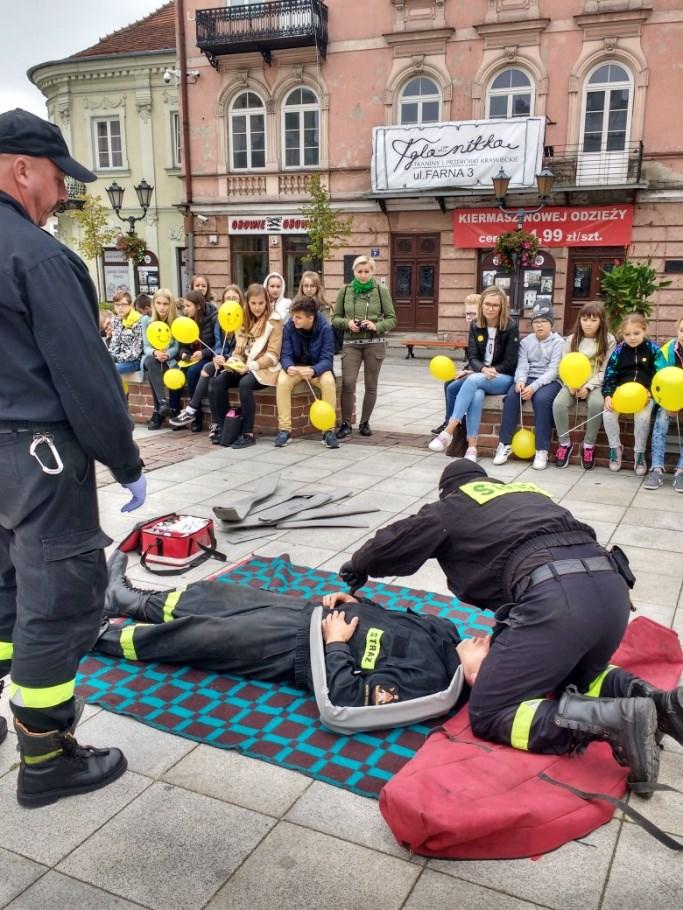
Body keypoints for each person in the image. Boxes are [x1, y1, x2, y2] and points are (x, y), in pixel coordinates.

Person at [338, 460, 682, 794]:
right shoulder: (528, 494)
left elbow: (393, 541)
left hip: (557, 601)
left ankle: (618, 721)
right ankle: (659, 704)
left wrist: (358, 565)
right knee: (577, 677)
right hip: (612, 592)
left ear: (449, 491)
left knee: (491, 711)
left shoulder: (452, 506)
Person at [0, 108, 146, 807]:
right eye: (58, 180)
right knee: (57, 604)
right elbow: (84, 378)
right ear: (20, 168)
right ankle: (47, 756)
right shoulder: (37, 256)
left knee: (0, 590)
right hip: (35, 457)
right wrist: (126, 462)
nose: (61, 197)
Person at [100, 551, 486, 724]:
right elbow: (389, 625)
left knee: (200, 635)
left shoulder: (431, 684)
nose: (484, 638)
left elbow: (346, 702)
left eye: (488, 651)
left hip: (296, 648)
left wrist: (335, 643)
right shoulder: (446, 632)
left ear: (477, 679)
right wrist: (358, 602)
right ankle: (127, 600)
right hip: (306, 613)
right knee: (212, 596)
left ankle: (98, 636)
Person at [430, 286, 519, 461]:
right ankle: (472, 448)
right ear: (482, 304)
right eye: (487, 304)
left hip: (504, 377)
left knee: (473, 381)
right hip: (482, 376)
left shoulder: (510, 326)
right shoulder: (476, 324)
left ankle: (449, 430)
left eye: (495, 305)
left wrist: (492, 370)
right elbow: (472, 356)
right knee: (476, 395)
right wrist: (482, 369)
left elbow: (511, 362)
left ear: (502, 308)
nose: (490, 308)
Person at [208, 282, 283, 448]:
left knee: (245, 384)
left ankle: (247, 433)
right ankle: (224, 427)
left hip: (264, 369)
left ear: (267, 302)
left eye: (261, 303)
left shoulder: (275, 321)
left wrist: (251, 366)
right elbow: (239, 351)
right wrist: (231, 362)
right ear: (247, 303)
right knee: (218, 381)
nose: (257, 307)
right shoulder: (243, 320)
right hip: (244, 365)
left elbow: (273, 355)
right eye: (253, 303)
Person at [492, 302, 564, 471]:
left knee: (542, 400)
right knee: (511, 398)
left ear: (551, 323)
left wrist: (534, 387)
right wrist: (520, 381)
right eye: (536, 322)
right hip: (529, 378)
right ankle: (504, 444)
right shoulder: (526, 342)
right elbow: (522, 365)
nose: (539, 325)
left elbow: (554, 370)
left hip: (550, 381)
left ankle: (542, 450)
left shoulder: (558, 342)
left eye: (544, 322)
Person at [332, 255, 397, 439]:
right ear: (354, 272)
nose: (363, 275)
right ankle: (345, 423)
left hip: (374, 344)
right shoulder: (345, 290)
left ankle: (365, 422)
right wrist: (348, 323)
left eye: (366, 271)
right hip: (351, 344)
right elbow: (335, 318)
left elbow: (392, 318)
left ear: (372, 272)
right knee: (348, 383)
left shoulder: (380, 290)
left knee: (371, 385)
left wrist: (377, 326)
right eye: (359, 271)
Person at [552, 302, 616, 470]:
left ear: (601, 321)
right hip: (572, 384)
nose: (588, 323)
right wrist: (570, 385)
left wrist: (587, 387)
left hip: (595, 385)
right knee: (558, 404)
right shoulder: (572, 340)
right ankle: (564, 444)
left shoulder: (608, 340)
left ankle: (588, 446)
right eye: (585, 319)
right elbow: (563, 366)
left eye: (593, 320)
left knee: (596, 404)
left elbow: (605, 370)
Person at [274, 297, 338, 449]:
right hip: (295, 367)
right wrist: (288, 366)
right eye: (293, 316)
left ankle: (328, 431)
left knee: (328, 382)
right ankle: (284, 430)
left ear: (310, 318)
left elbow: (328, 360)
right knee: (282, 382)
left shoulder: (325, 329)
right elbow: (285, 353)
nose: (293, 320)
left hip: (316, 368)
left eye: (298, 317)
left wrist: (314, 370)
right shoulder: (289, 326)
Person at [602, 314, 660, 474]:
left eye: (636, 333)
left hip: (645, 395)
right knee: (608, 414)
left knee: (642, 418)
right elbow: (610, 374)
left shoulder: (654, 349)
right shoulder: (619, 350)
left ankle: (639, 453)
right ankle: (615, 448)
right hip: (622, 393)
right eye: (627, 334)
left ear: (644, 331)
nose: (632, 338)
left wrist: (652, 392)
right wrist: (608, 394)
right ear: (622, 334)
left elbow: (660, 374)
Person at [168, 290, 220, 433]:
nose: (185, 309)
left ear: (197, 306)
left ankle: (195, 415)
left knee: (193, 372)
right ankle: (174, 410)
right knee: (175, 371)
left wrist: (203, 353)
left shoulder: (212, 317)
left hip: (208, 357)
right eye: (184, 306)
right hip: (192, 358)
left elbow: (217, 345)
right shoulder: (186, 320)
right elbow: (182, 345)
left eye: (188, 306)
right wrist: (184, 354)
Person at [644, 315, 683, 492]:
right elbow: (659, 378)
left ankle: (681, 470)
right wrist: (668, 403)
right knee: (660, 421)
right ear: (677, 330)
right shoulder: (667, 351)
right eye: (682, 331)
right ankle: (657, 468)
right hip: (667, 399)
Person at [432, 293, 480, 436]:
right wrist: (465, 370)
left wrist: (470, 372)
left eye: (472, 314)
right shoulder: (474, 328)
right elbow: (473, 358)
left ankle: (452, 426)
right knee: (448, 382)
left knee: (452, 387)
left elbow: (488, 361)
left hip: (485, 374)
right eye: (466, 314)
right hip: (475, 371)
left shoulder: (483, 330)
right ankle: (449, 421)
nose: (469, 318)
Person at [140, 289, 179, 430]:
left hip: (169, 359)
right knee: (151, 362)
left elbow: (176, 346)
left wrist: (167, 354)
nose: (162, 307)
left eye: (165, 304)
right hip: (152, 357)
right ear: (153, 304)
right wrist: (156, 352)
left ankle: (158, 411)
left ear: (171, 305)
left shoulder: (175, 321)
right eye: (158, 303)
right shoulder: (146, 321)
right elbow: (146, 347)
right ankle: (162, 403)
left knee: (157, 371)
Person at [107, 289, 144, 376]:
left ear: (130, 305)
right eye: (117, 305)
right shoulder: (117, 320)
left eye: (123, 304)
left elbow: (136, 352)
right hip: (119, 360)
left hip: (135, 361)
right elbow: (114, 344)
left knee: (109, 370)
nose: (120, 308)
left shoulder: (139, 321)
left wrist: (115, 358)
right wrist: (108, 356)